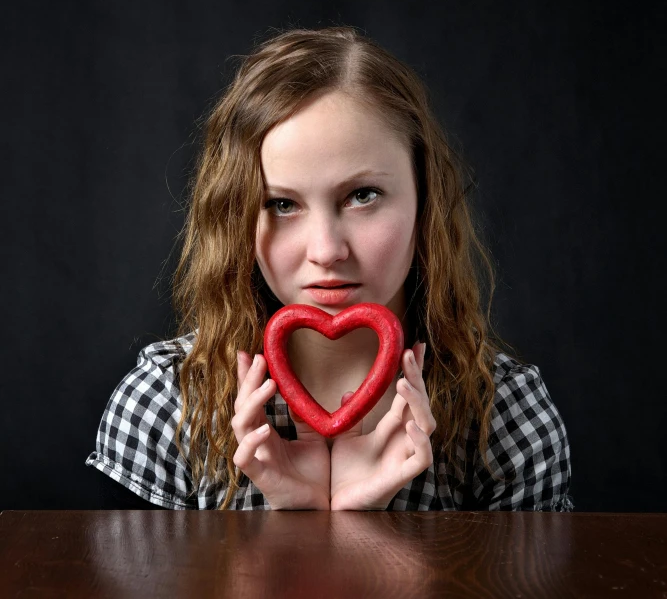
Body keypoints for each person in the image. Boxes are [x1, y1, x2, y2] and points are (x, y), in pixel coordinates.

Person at [86, 26, 573, 511]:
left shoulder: (507, 415)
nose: (326, 251)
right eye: (280, 203)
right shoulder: (164, 405)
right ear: (235, 217)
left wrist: (363, 522)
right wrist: (300, 516)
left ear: (427, 200)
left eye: (363, 196)